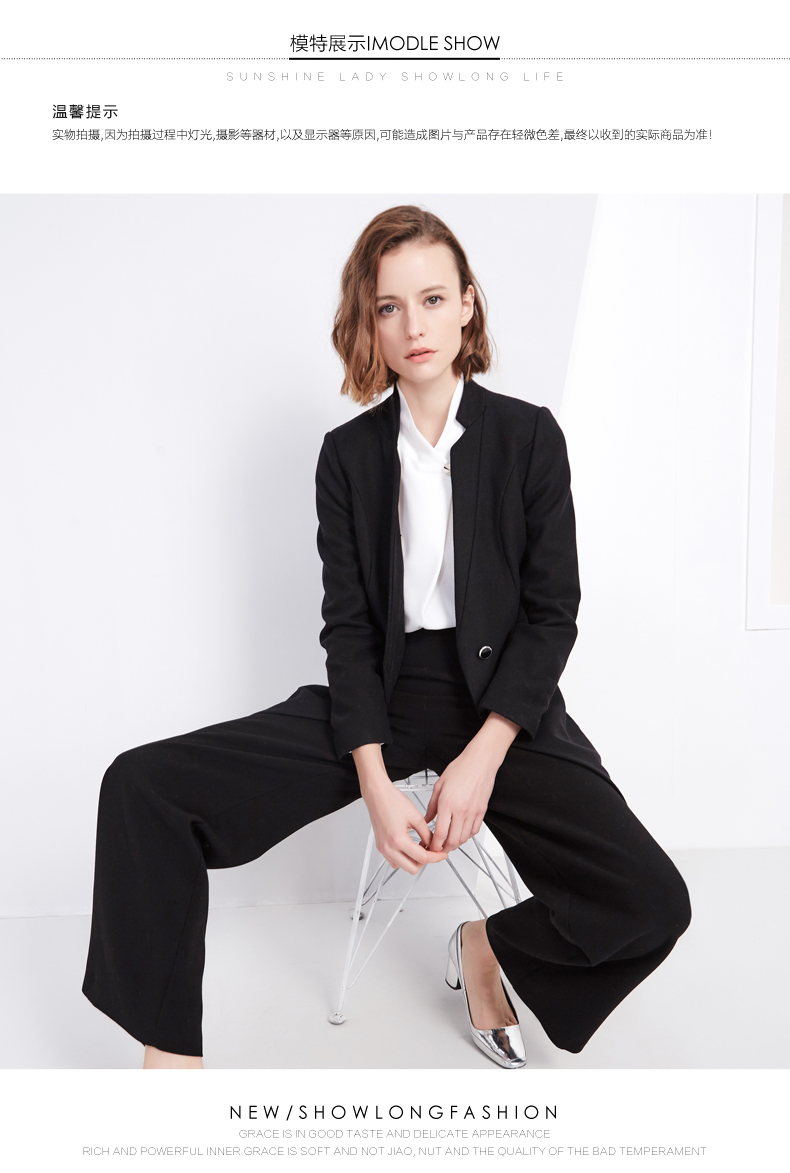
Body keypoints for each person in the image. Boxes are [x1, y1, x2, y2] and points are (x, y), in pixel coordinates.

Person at [82, 204, 691, 1070]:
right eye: (390, 307)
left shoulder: (528, 437)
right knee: (142, 788)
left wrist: (483, 755)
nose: (414, 326)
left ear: (468, 304)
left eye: (433, 299)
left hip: (504, 707)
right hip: (382, 697)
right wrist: (373, 777)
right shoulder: (348, 455)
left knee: (654, 901)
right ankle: (170, 1059)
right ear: (368, 321)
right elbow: (350, 626)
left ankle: (487, 944)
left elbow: (553, 611)